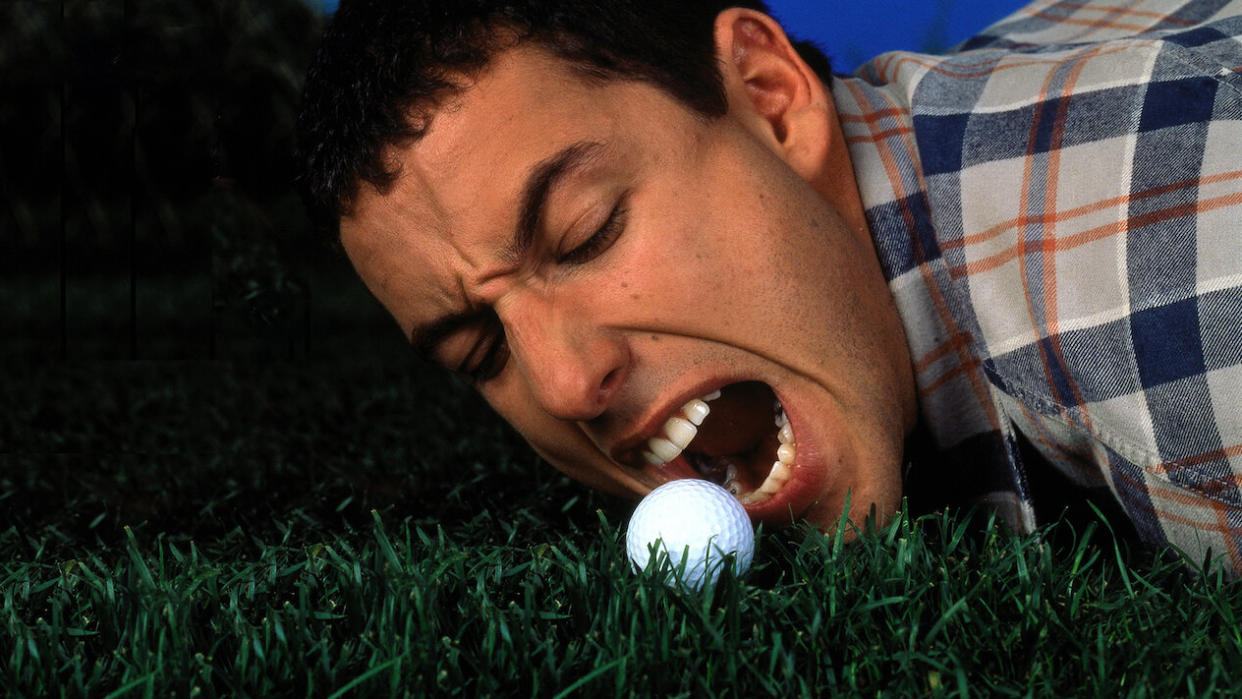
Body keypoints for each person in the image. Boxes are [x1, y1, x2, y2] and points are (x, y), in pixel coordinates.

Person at [297, 0, 1242, 572]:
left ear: (769, 98)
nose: (560, 384)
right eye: (483, 350)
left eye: (586, 233)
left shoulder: (1162, 315)